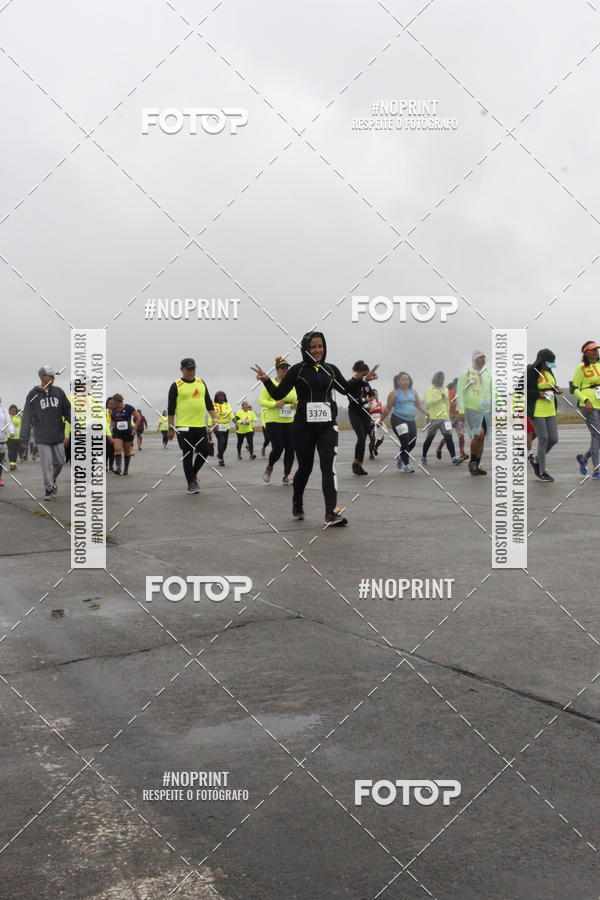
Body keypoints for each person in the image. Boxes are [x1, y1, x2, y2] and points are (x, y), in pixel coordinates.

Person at [252, 331, 378, 526]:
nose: (318, 350)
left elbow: (345, 389)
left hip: (328, 426)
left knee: (328, 467)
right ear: (306, 349)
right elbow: (278, 394)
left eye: (320, 346)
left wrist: (362, 379)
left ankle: (331, 513)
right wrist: (267, 381)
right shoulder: (297, 370)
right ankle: (297, 500)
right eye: (313, 347)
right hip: (303, 427)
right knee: (305, 467)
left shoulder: (331, 369)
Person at [167, 358, 217, 493]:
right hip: (183, 427)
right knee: (187, 454)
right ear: (181, 369)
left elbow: (208, 402)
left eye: (193, 368)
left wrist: (215, 419)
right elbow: (171, 409)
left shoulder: (201, 383)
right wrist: (170, 428)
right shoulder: (176, 385)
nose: (191, 371)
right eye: (188, 369)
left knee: (205, 451)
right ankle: (191, 484)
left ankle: (192, 475)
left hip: (200, 425)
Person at [19, 366, 70, 499]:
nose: (53, 378)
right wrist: (24, 439)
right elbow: (27, 417)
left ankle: (52, 480)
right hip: (41, 436)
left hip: (57, 435)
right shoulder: (33, 394)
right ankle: (48, 489)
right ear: (42, 376)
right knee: (46, 465)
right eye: (50, 376)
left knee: (60, 462)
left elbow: (67, 411)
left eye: (54, 376)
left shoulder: (59, 392)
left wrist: (78, 425)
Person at [260, 357, 297, 484]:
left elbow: (297, 399)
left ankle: (286, 475)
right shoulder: (271, 384)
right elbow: (262, 401)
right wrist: (275, 404)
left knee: (291, 449)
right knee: (278, 448)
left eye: (287, 368)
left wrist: (296, 404)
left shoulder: (292, 385)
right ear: (277, 370)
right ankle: (270, 466)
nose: (285, 371)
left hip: (289, 421)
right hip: (273, 421)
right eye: (283, 369)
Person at [526, 348, 562, 483]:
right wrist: (538, 393)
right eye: (548, 363)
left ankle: (536, 460)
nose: (550, 366)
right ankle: (541, 470)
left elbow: (550, 385)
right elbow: (520, 388)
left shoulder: (549, 370)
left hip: (550, 408)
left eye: (552, 363)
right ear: (541, 361)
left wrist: (556, 389)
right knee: (544, 438)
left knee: (553, 438)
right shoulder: (530, 371)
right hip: (537, 410)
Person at [380, 372, 427, 473]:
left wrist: (427, 413)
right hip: (398, 419)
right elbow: (388, 408)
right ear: (398, 381)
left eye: (407, 379)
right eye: (403, 379)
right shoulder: (394, 393)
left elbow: (419, 405)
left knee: (412, 442)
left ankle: (400, 457)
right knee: (405, 440)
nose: (406, 381)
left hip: (410, 420)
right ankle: (406, 465)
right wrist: (381, 420)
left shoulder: (413, 392)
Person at [456, 351, 492, 476]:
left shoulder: (487, 375)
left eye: (484, 357)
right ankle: (472, 462)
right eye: (480, 357)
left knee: (482, 438)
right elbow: (460, 391)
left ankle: (476, 463)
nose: (483, 359)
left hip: (486, 410)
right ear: (474, 359)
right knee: (479, 434)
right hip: (472, 408)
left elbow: (494, 390)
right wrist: (461, 410)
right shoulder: (466, 374)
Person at [572, 340, 600, 479]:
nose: (595, 352)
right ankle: (597, 470)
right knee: (597, 435)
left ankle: (584, 458)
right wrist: (586, 400)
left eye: (596, 349)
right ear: (586, 353)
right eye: (592, 349)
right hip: (589, 406)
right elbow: (574, 388)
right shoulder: (581, 367)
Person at [421, 372, 461, 466]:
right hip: (433, 418)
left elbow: (447, 403)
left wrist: (448, 414)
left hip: (445, 418)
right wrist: (439, 398)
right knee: (430, 438)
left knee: (449, 437)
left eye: (443, 378)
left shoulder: (445, 389)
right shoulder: (429, 389)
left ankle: (453, 458)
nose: (442, 380)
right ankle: (423, 457)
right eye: (440, 378)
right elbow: (427, 402)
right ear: (435, 378)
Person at [347, 360, 378, 476]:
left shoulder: (365, 383)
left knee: (363, 439)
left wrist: (372, 398)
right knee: (360, 437)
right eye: (364, 375)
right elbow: (352, 400)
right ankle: (356, 463)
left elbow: (371, 394)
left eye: (367, 374)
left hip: (365, 413)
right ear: (358, 372)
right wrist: (365, 400)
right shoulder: (351, 383)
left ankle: (359, 465)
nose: (366, 377)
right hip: (354, 413)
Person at [436, 378, 468, 461]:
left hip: (458, 418)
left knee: (461, 435)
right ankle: (439, 449)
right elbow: (449, 405)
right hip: (449, 418)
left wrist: (463, 416)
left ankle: (462, 453)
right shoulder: (449, 393)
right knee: (447, 437)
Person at [110, 394, 140, 476]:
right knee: (117, 449)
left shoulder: (129, 407)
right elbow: (112, 420)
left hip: (128, 432)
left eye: (114, 402)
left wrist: (134, 429)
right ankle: (118, 468)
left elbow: (138, 417)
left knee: (127, 451)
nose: (113, 404)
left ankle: (126, 469)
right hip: (117, 432)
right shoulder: (113, 410)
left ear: (119, 401)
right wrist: (111, 428)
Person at [213, 391, 237, 466]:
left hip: (226, 426)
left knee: (225, 443)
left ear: (224, 397)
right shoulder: (213, 405)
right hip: (217, 425)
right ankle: (221, 459)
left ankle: (220, 454)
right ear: (216, 397)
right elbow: (212, 416)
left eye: (222, 396)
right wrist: (210, 426)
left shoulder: (227, 404)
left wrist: (236, 423)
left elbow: (231, 414)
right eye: (219, 396)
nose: (221, 397)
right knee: (221, 441)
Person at [0, 400, 15, 485]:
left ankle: (0, 479)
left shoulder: (4, 410)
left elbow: (9, 423)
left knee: (0, 460)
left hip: (2, 439)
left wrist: (12, 431)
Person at [367, 390, 384, 460]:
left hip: (379, 421)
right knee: (372, 439)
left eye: (376, 394)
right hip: (371, 421)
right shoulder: (369, 403)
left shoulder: (380, 403)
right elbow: (367, 412)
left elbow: (381, 413)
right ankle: (371, 454)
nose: (376, 396)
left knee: (381, 438)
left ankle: (375, 448)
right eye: (374, 395)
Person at [7, 404, 21, 471]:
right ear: (9, 411)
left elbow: (18, 423)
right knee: (10, 451)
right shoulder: (9, 417)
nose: (13, 412)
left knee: (15, 452)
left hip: (17, 437)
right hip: (9, 437)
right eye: (12, 411)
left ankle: (14, 464)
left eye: (14, 411)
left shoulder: (18, 417)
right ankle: (11, 464)